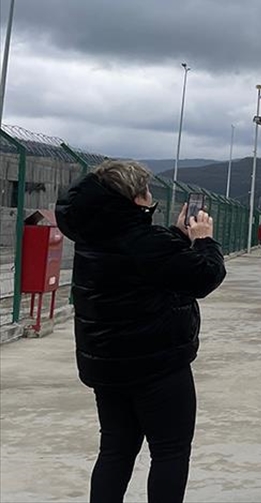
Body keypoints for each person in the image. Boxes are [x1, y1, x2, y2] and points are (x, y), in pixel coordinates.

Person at [55, 159, 226, 503]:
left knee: (115, 449)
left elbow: (146, 265)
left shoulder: (93, 234)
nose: (150, 198)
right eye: (147, 192)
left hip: (107, 365)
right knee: (170, 451)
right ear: (135, 198)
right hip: (158, 367)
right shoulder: (143, 240)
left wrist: (177, 235)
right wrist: (204, 241)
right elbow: (204, 277)